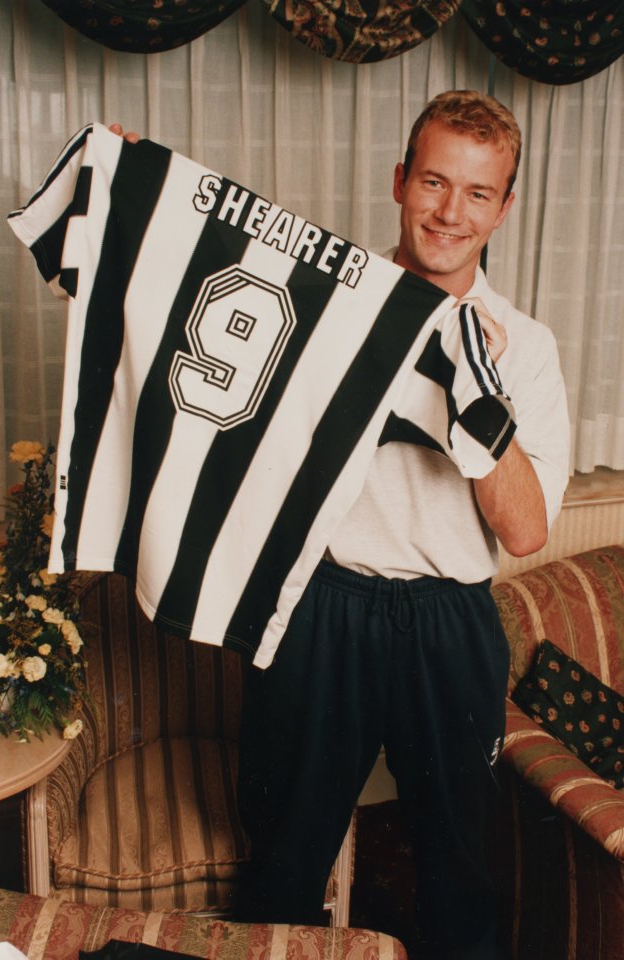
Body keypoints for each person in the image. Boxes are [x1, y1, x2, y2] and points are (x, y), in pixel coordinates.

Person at [230, 91, 570, 960]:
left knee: (460, 870)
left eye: (477, 193)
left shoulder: (524, 346)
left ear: (505, 206)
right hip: (320, 608)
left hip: (448, 623)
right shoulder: (326, 309)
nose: (450, 213)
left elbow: (526, 532)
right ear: (398, 181)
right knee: (280, 862)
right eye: (432, 182)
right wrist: (124, 190)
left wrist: (475, 393)